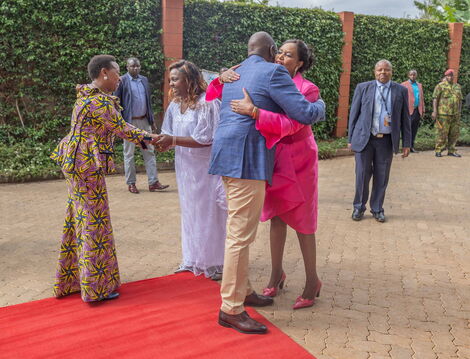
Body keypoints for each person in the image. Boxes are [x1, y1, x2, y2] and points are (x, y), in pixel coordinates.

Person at [209, 31, 325, 335]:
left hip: (227, 154)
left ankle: (244, 291)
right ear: (272, 50)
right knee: (240, 236)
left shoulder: (235, 71)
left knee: (238, 229)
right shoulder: (273, 71)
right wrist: (321, 106)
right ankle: (231, 309)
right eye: (279, 52)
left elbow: (216, 93)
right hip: (248, 158)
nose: (280, 58)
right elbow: (303, 112)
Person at [50, 55, 159, 302]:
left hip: (75, 162)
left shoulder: (85, 95)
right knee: (93, 222)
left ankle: (72, 281)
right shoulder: (99, 102)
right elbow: (122, 129)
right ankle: (95, 289)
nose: (120, 77)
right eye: (117, 71)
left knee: (78, 217)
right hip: (86, 165)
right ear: (104, 73)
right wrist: (154, 138)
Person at [154, 60, 226, 281]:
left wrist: (173, 140)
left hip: (205, 168)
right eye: (170, 79)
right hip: (185, 167)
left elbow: (207, 139)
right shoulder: (175, 105)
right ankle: (192, 258)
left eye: (175, 79)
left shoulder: (207, 103)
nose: (172, 84)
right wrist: (157, 141)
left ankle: (214, 261)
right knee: (190, 211)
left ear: (190, 79)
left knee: (208, 213)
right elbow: (168, 132)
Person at [348, 59, 411, 223]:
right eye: (380, 70)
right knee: (362, 174)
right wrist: (350, 139)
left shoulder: (401, 90)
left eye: (386, 70)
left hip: (386, 141)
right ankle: (358, 207)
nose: (383, 73)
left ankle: (377, 209)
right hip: (365, 139)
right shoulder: (363, 88)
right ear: (374, 72)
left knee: (382, 176)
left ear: (391, 72)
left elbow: (406, 119)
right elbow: (353, 114)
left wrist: (406, 143)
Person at [114, 57, 169, 193]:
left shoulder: (143, 80)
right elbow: (116, 102)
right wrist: (120, 124)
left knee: (147, 150)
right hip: (130, 124)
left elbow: (148, 102)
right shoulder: (122, 81)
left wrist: (151, 121)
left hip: (144, 123)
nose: (136, 69)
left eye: (138, 66)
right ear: (127, 67)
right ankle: (131, 183)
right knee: (129, 153)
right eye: (132, 66)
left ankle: (153, 182)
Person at [432, 69, 463, 157]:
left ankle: (451, 150)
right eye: (448, 76)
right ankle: (438, 150)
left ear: (454, 77)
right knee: (442, 132)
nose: (449, 77)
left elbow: (460, 100)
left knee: (454, 133)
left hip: (455, 114)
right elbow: (435, 98)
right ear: (446, 76)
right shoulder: (440, 86)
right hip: (443, 114)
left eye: (451, 76)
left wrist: (459, 111)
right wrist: (434, 111)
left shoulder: (457, 86)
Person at [401, 70, 424, 153]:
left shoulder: (419, 85)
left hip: (417, 110)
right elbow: (401, 98)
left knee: (414, 129)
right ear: (408, 75)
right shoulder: (404, 85)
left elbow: (422, 98)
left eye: (414, 75)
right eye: (411, 74)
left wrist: (423, 110)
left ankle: (411, 147)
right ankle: (405, 146)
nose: (413, 76)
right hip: (408, 110)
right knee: (407, 129)